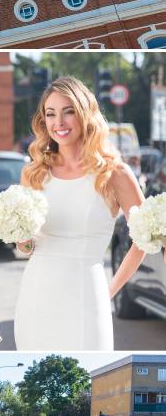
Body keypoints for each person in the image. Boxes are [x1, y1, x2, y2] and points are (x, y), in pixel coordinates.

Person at [14, 76, 146, 349]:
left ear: (85, 114)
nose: (58, 123)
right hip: (36, 294)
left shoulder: (114, 173)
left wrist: (109, 290)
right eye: (50, 114)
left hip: (88, 294)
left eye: (68, 111)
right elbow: (25, 246)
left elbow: (146, 238)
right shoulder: (33, 173)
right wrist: (20, 237)